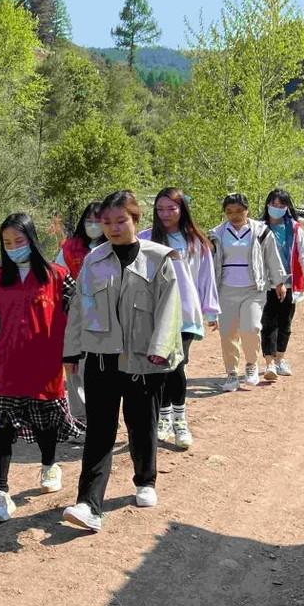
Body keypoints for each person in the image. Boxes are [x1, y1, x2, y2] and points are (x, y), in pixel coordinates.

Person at [61, 190, 182, 533]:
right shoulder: (94, 261)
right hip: (101, 357)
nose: (113, 228)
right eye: (107, 222)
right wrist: (71, 351)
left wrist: (161, 348)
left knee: (141, 422)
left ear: (135, 220)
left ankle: (145, 479)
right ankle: (88, 504)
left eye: (120, 221)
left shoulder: (160, 259)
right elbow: (80, 309)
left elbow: (170, 308)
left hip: (144, 358)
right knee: (100, 431)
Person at [0, 213, 84, 524]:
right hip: (7, 364)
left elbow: (75, 319)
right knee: (2, 429)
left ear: (32, 241)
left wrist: (75, 353)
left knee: (44, 424)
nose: (13, 247)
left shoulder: (59, 277)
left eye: (19, 241)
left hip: (44, 365)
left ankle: (50, 464)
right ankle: (0, 493)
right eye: (7, 243)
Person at [139, 188, 220, 449]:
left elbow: (206, 278)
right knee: (161, 365)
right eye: (160, 209)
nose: (165, 214)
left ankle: (180, 420)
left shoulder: (196, 242)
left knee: (177, 365)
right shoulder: (145, 239)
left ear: (182, 209)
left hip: (185, 313)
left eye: (171, 208)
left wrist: (210, 310)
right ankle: (163, 418)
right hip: (154, 313)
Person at [209, 193, 288, 392]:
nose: (234, 216)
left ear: (247, 210)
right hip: (226, 290)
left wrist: (279, 282)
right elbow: (208, 264)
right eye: (229, 212)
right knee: (228, 333)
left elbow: (272, 256)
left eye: (238, 211)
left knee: (251, 327)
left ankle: (251, 364)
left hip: (253, 289)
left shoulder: (261, 232)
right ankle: (231, 374)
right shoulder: (216, 234)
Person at [258, 188, 304, 381]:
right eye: (273, 205)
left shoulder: (294, 228)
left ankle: (280, 359)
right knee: (268, 323)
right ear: (267, 205)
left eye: (281, 205)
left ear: (287, 207)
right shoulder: (258, 228)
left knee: (285, 323)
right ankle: (269, 363)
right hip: (266, 284)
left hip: (290, 282)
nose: (276, 208)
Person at [53, 201, 103, 423]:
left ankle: (102, 414)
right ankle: (79, 417)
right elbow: (57, 277)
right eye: (89, 220)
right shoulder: (70, 248)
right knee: (74, 367)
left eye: (98, 221)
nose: (93, 225)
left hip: (107, 317)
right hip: (76, 315)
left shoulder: (113, 245)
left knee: (102, 369)